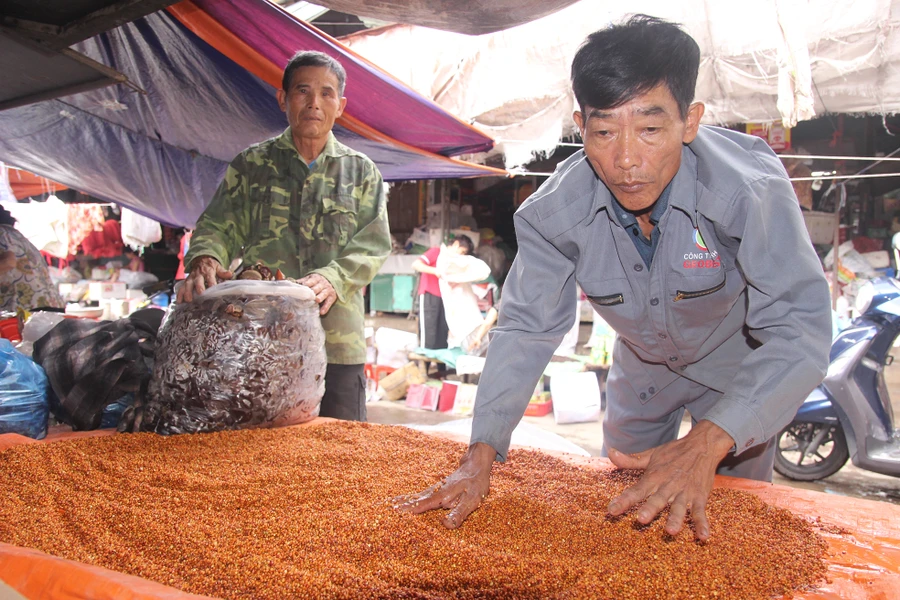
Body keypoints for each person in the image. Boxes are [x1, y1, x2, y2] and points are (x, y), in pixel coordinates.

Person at [395, 15, 831, 541]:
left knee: (729, 524)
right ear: (581, 127)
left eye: (650, 129)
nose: (626, 159)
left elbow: (799, 331)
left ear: (689, 122)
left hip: (738, 365)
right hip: (643, 368)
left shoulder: (749, 191)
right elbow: (526, 329)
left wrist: (710, 441)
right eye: (603, 132)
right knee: (622, 514)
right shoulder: (554, 214)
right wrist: (481, 449)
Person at [177, 51, 391, 422]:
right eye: (302, 91)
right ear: (283, 99)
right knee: (263, 455)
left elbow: (373, 245)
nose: (313, 103)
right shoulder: (252, 165)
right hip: (261, 336)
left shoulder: (361, 172)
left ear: (340, 106)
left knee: (342, 455)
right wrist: (206, 257)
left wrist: (333, 276)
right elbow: (220, 224)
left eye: (326, 94)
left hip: (337, 339)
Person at [411, 235, 474, 349]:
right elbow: (416, 264)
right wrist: (435, 271)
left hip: (445, 298)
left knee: (442, 333)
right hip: (429, 295)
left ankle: (440, 365)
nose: (462, 255)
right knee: (429, 331)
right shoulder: (436, 251)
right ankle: (425, 364)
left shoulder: (455, 262)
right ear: (455, 245)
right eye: (463, 251)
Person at [0, 205, 65, 314]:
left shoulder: (2, 233)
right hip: (48, 304)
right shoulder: (15, 235)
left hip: (28, 307)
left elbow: (8, 262)